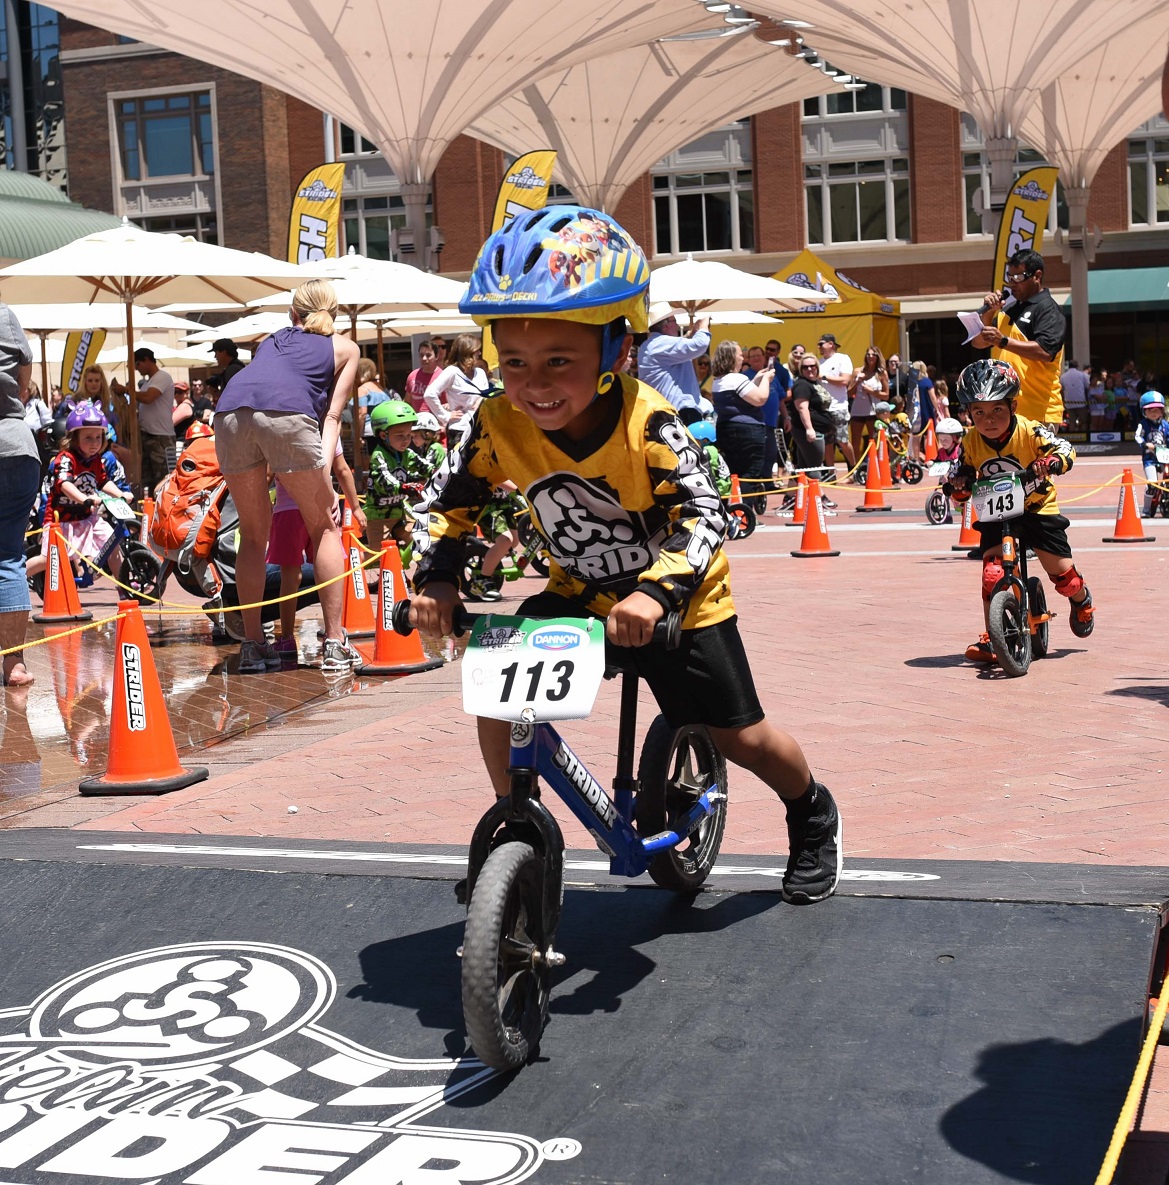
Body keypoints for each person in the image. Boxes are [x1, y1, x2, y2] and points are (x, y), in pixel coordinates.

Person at [411, 203, 842, 904]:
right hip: (582, 596)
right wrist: (438, 578)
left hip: (681, 604)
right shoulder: (495, 421)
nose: (534, 384)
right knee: (496, 680)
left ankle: (811, 811)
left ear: (617, 351)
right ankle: (516, 823)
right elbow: (449, 502)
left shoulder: (650, 422)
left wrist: (655, 592)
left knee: (741, 736)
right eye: (512, 361)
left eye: (559, 361)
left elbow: (706, 512)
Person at [213, 278, 361, 675]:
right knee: (325, 528)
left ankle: (253, 645)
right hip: (288, 415)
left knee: (253, 533)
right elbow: (330, 417)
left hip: (229, 413)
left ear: (292, 314)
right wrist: (325, 475)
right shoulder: (345, 348)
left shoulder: (272, 339)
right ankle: (334, 642)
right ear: (336, 311)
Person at [943, 359, 1094, 664]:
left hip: (1037, 508)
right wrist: (958, 484)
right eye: (979, 412)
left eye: (997, 409)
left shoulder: (1030, 430)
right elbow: (957, 472)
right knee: (992, 573)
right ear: (968, 413)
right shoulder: (971, 442)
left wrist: (1051, 462)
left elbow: (1065, 449)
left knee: (1064, 577)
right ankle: (991, 636)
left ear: (1012, 406)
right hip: (996, 515)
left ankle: (1083, 601)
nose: (988, 420)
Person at [268, 439, 366, 663]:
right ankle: (334, 638)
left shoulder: (278, 427)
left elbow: (267, 475)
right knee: (329, 574)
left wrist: (265, 511)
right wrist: (357, 507)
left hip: (287, 511)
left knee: (289, 578)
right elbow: (341, 470)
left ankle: (286, 639)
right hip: (322, 509)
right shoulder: (325, 427)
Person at [28, 402, 132, 584]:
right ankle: (12, 580)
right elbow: (64, 484)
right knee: (49, 558)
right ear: (74, 438)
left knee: (113, 543)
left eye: (98, 437)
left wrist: (120, 495)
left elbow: (103, 481)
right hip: (60, 521)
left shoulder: (96, 459)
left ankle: (124, 588)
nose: (94, 443)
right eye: (88, 438)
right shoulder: (66, 458)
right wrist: (85, 498)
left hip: (86, 518)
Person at [974, 248, 1066, 427]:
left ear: (1037, 276)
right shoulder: (1007, 310)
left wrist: (1003, 341)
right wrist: (988, 313)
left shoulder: (1048, 309)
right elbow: (978, 343)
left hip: (1038, 412)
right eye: (1010, 277)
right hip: (1005, 409)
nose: (1012, 284)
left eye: (1018, 277)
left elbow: (1045, 352)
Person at [0, 301, 39, 687]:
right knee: (9, 556)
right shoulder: (4, 314)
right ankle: (14, 666)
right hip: (15, 444)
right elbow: (24, 378)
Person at [710, 339, 772, 513]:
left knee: (733, 472)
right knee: (749, 474)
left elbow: (741, 394)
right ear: (731, 358)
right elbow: (759, 398)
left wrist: (758, 377)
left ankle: (732, 511)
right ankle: (744, 513)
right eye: (739, 355)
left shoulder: (719, 380)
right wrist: (766, 379)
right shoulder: (737, 379)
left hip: (727, 429)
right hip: (748, 431)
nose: (742, 358)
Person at [363, 400, 427, 562]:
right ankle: (352, 569)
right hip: (378, 514)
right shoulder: (379, 456)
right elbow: (384, 479)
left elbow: (426, 466)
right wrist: (404, 487)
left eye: (408, 435)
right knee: (377, 554)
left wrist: (443, 473)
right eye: (399, 436)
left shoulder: (407, 454)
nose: (406, 440)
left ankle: (415, 573)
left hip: (398, 512)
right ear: (383, 435)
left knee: (417, 539)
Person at [111, 347, 176, 495]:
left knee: (164, 479)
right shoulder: (147, 383)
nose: (136, 369)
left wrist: (126, 390)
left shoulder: (163, 377)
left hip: (161, 438)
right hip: (147, 436)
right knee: (149, 480)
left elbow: (148, 398)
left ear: (147, 360)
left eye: (138, 364)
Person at [636, 303, 710, 425]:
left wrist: (690, 335)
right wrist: (703, 326)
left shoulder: (652, 345)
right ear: (665, 326)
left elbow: (676, 348)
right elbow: (700, 345)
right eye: (674, 321)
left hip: (666, 412)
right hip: (677, 413)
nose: (677, 325)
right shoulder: (661, 344)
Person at [423, 333, 488, 448]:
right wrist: (445, 416)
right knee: (459, 465)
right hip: (459, 429)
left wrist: (481, 400)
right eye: (477, 350)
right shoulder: (452, 371)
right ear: (468, 351)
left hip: (480, 428)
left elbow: (487, 395)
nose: (479, 353)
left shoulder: (480, 373)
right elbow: (429, 394)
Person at [790, 354, 838, 510]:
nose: (810, 369)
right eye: (805, 367)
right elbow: (802, 408)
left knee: (804, 466)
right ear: (800, 369)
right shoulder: (802, 385)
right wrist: (809, 429)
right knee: (814, 466)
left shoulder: (814, 383)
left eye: (813, 366)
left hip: (818, 430)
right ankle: (820, 497)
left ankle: (790, 498)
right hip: (809, 432)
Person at [816, 333, 855, 473]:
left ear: (831, 344)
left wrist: (824, 376)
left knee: (842, 441)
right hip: (824, 408)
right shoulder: (818, 363)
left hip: (839, 407)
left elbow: (845, 380)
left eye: (821, 344)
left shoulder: (842, 359)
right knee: (827, 442)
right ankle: (830, 472)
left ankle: (853, 468)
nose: (819, 347)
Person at [849, 345, 888, 463]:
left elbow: (886, 395)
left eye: (873, 355)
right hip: (857, 411)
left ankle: (873, 466)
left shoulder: (881, 373)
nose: (870, 357)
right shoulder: (858, 371)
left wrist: (872, 391)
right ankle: (857, 468)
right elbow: (849, 392)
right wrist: (857, 381)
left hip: (873, 411)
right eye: (868, 354)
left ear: (877, 357)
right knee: (856, 442)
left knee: (873, 441)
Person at [1135, 390, 1169, 516]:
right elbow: (1137, 436)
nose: (1154, 413)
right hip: (1150, 458)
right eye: (1150, 410)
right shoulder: (1143, 424)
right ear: (1144, 411)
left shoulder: (1165, 425)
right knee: (1152, 483)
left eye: (1157, 410)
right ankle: (1147, 509)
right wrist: (1145, 445)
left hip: (1165, 456)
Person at [689, 419, 731, 499]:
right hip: (721, 488)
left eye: (693, 440)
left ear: (705, 440)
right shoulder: (712, 450)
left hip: (718, 490)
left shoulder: (708, 452)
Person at [405, 340, 443, 411]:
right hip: (417, 420)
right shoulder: (412, 376)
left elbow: (449, 403)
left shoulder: (443, 377)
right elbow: (407, 402)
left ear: (436, 356)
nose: (424, 359)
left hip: (437, 421)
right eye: (421, 355)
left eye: (428, 355)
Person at [411, 411, 446, 478]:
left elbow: (425, 471)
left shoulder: (435, 447)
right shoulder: (424, 447)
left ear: (427, 433)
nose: (413, 439)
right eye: (412, 437)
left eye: (415, 436)